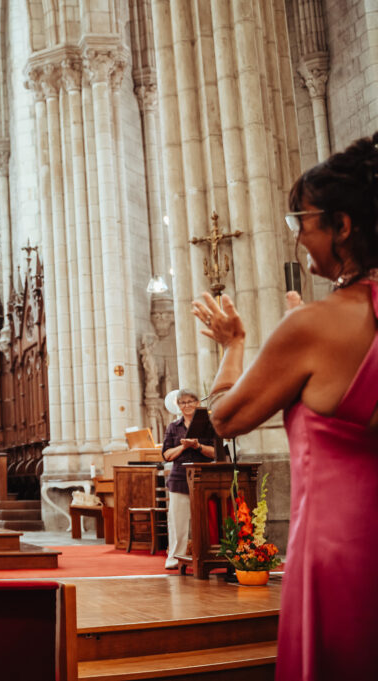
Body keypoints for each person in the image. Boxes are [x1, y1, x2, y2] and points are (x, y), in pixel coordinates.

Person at [192, 131, 378, 680]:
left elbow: (225, 417)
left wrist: (232, 346)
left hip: (338, 547)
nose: (299, 238)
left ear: (343, 225)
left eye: (305, 222)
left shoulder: (315, 324)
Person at [159, 389, 215, 569]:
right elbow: (166, 455)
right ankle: (175, 557)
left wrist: (197, 446)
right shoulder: (173, 427)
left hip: (205, 479)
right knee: (178, 520)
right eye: (183, 402)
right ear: (178, 406)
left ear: (198, 403)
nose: (187, 405)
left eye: (191, 401)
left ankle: (209, 555)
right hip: (179, 478)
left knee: (207, 521)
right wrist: (183, 447)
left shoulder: (208, 425)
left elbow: (215, 453)